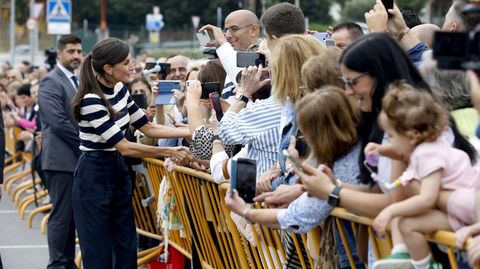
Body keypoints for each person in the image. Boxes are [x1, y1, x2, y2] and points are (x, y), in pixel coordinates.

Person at [289, 33, 476, 266]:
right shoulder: (383, 125)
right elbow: (383, 191)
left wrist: (332, 192)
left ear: (378, 73)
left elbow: (395, 201)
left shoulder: (418, 127)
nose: (347, 91)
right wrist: (335, 185)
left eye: (352, 82)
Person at [70, 38, 194, 269]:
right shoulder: (91, 101)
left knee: (126, 249)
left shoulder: (119, 90)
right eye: (126, 63)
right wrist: (168, 150)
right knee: (98, 255)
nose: (133, 67)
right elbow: (124, 146)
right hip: (93, 174)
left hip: (117, 171)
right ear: (108, 68)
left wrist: (193, 131)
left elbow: (147, 127)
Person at [225, 86, 364, 268]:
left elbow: (301, 213)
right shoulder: (354, 151)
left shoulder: (340, 162)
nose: (304, 138)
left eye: (306, 134)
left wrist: (247, 209)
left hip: (349, 253)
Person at [369, 82, 480, 269]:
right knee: (406, 223)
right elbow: (401, 151)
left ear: (411, 136)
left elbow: (427, 198)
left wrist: (390, 211)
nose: (389, 142)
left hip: (464, 209)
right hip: (460, 209)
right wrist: (382, 150)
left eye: (390, 136)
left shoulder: (426, 154)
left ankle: (424, 265)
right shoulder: (430, 147)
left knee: (406, 224)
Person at [38, 34, 83, 269]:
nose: (76, 56)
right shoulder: (51, 81)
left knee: (71, 218)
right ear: (59, 54)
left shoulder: (76, 80)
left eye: (79, 51)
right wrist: (86, 146)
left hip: (73, 160)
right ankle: (57, 264)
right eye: (71, 51)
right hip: (60, 161)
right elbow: (59, 122)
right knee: (61, 216)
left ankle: (66, 263)